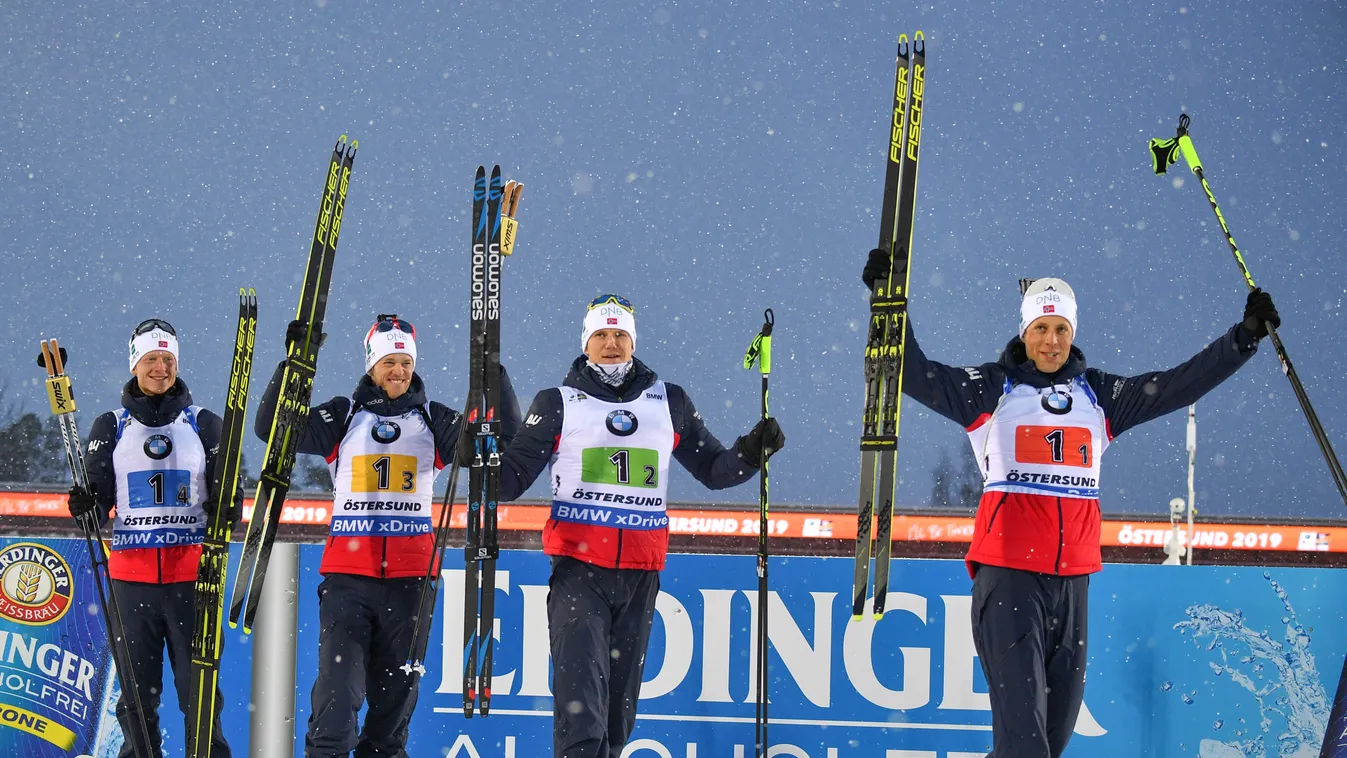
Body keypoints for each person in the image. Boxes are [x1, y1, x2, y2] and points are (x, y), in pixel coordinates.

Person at [862, 248, 1280, 758]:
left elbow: (1176, 384)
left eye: (1061, 328)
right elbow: (913, 373)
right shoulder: (991, 391)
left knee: (1048, 745)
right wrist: (888, 303)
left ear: (1073, 332)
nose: (1051, 341)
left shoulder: (1099, 396)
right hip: (1010, 577)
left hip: (1073, 586)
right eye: (1041, 328)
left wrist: (1243, 339)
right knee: (1026, 748)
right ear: (1024, 332)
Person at [479, 294, 786, 758]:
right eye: (600, 335)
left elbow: (715, 471)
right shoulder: (560, 402)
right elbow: (507, 482)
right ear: (586, 342)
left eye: (619, 334)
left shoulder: (669, 401)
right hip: (580, 574)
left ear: (633, 341)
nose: (610, 344)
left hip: (640, 577)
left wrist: (750, 451)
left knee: (617, 725)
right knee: (581, 716)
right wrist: (485, 433)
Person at [254, 315, 520, 758]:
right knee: (337, 705)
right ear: (371, 364)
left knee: (390, 717)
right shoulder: (344, 414)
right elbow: (272, 428)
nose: (398, 371)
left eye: (405, 362)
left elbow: (496, 442)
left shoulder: (433, 419)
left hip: (412, 584)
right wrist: (291, 366)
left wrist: (495, 373)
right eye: (388, 361)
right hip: (348, 581)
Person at [67, 318, 236, 758]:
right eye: (150, 359)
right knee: (137, 696)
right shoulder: (111, 425)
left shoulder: (204, 422)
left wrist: (227, 502)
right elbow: (98, 498)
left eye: (167, 359)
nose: (160, 368)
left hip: (191, 580)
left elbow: (228, 495)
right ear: (134, 364)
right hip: (131, 579)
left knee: (197, 689)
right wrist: (85, 503)